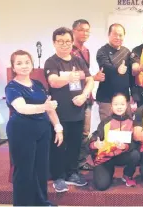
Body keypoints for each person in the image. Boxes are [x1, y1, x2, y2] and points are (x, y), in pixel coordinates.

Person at [6, 50, 63, 206]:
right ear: (13, 67)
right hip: (21, 132)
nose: (24, 66)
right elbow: (22, 108)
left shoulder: (38, 84)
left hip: (42, 131)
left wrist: (58, 127)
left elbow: (50, 108)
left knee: (41, 170)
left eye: (27, 62)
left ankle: (41, 202)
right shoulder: (11, 87)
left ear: (31, 64)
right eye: (19, 63)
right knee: (24, 171)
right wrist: (45, 106)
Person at [44, 27, 94, 192]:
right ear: (54, 43)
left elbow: (90, 80)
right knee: (59, 145)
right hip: (59, 114)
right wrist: (69, 78)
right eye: (60, 41)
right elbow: (53, 82)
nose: (64, 45)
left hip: (77, 111)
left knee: (75, 145)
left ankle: (72, 173)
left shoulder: (78, 60)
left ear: (72, 42)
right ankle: (58, 176)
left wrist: (84, 96)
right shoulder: (51, 62)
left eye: (67, 41)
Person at [90, 93, 141, 191]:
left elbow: (135, 143)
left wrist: (125, 147)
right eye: (116, 104)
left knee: (135, 154)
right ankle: (109, 171)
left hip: (122, 155)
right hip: (106, 157)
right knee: (101, 186)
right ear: (111, 106)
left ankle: (127, 175)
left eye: (122, 104)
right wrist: (95, 144)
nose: (119, 107)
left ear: (126, 106)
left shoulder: (131, 122)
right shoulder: (105, 122)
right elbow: (95, 137)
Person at [72, 19, 96, 171]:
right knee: (72, 131)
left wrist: (94, 78)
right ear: (73, 31)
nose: (84, 33)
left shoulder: (86, 51)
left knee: (85, 132)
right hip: (72, 98)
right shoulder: (69, 51)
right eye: (81, 30)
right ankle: (70, 163)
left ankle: (80, 161)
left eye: (87, 30)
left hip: (87, 96)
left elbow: (86, 75)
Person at [96, 23, 133, 121]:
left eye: (120, 35)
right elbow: (105, 66)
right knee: (107, 129)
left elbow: (131, 73)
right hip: (107, 99)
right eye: (115, 34)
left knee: (126, 129)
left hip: (124, 99)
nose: (118, 37)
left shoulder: (126, 51)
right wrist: (118, 69)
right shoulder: (102, 51)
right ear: (109, 35)